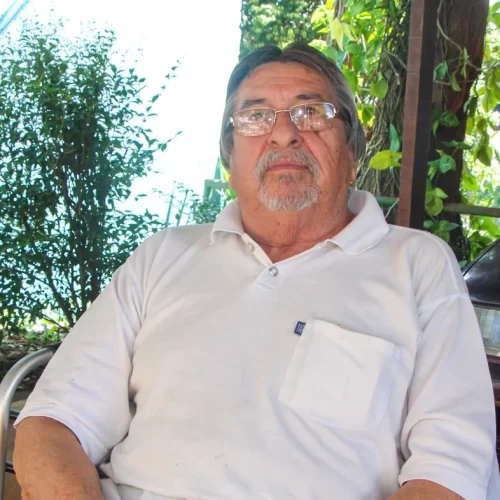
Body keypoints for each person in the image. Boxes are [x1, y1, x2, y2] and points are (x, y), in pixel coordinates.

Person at [13, 43, 500, 500]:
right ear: (229, 158)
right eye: (255, 116)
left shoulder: (416, 265)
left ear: (353, 151)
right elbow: (52, 423)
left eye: (312, 112)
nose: (284, 133)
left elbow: (451, 467)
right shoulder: (164, 255)